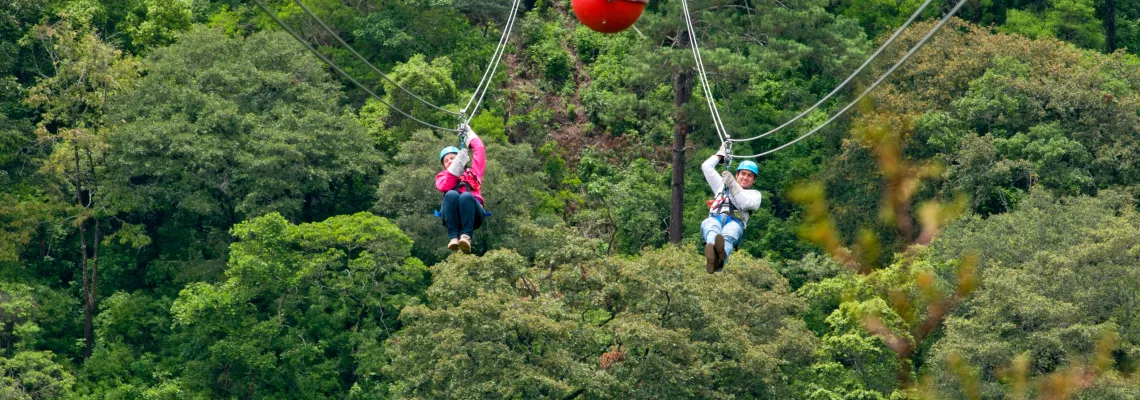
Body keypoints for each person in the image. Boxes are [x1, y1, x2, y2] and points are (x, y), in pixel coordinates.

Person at [700, 145, 762, 273]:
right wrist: (720, 155)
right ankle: (713, 254)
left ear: (753, 180)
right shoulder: (721, 186)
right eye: (743, 174)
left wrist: (732, 183)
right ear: (737, 174)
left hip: (735, 222)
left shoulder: (754, 195)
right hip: (715, 218)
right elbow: (706, 167)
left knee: (729, 234)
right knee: (710, 226)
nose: (745, 177)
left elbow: (744, 204)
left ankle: (719, 260)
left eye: (749, 176)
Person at [435, 125, 486, 253]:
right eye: (446, 161)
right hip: (452, 215)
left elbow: (479, 150)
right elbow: (446, 186)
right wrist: (458, 163)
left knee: (466, 196)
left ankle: (466, 237)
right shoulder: (442, 176)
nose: (450, 161)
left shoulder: (473, 173)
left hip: (473, 214)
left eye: (453, 158)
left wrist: (469, 134)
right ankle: (453, 237)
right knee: (451, 194)